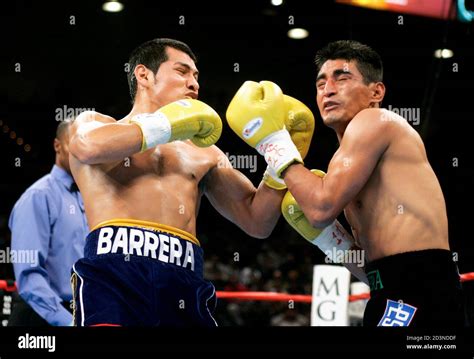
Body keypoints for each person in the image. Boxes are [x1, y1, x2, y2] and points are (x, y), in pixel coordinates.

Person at [68, 38, 314, 326]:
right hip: (114, 277)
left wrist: (281, 156)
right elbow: (87, 147)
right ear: (144, 75)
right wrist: (165, 125)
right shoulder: (96, 124)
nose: (194, 84)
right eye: (182, 72)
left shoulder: (205, 152)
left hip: (182, 279)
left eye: (196, 76)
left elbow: (256, 221)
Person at [226, 40, 466, 327]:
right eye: (321, 83)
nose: (328, 89)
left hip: (421, 288)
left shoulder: (376, 121)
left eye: (342, 77)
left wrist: (273, 142)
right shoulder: (347, 161)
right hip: (390, 289)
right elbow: (372, 271)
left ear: (376, 92)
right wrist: (330, 241)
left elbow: (319, 208)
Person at [8, 119, 88, 326]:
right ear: (57, 146)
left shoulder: (91, 198)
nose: (82, 150)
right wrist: (67, 322)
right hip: (40, 318)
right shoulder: (38, 196)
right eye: (75, 142)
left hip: (82, 314)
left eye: (86, 143)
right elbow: (29, 274)